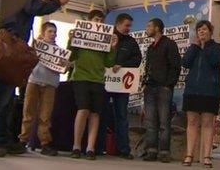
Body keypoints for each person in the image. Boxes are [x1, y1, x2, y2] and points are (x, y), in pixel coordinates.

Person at [0, 0, 69, 157]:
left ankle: (1, 140)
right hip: (10, 45)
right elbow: (32, 7)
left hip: (9, 43)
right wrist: (57, 2)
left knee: (5, 97)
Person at [68, 10, 118, 160]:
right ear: (89, 21)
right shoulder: (80, 35)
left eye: (102, 21)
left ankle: (90, 147)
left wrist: (113, 48)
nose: (100, 23)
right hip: (81, 77)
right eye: (97, 20)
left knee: (95, 113)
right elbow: (71, 56)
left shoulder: (105, 40)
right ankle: (76, 146)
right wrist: (71, 40)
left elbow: (109, 62)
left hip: (98, 79)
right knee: (83, 110)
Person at [181, 20, 220, 168]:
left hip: (209, 91)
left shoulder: (217, 48)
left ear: (210, 31)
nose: (201, 32)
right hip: (192, 89)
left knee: (207, 123)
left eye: (204, 29)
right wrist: (195, 46)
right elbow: (185, 63)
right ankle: (189, 155)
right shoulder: (193, 48)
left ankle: (207, 156)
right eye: (199, 30)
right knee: (192, 122)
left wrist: (205, 46)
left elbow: (215, 61)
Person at [17, 22, 62, 156]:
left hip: (50, 83)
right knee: (28, 112)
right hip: (34, 80)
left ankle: (45, 143)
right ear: (43, 33)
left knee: (45, 115)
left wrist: (64, 64)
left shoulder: (59, 51)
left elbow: (63, 69)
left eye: (54, 32)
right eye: (50, 31)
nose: (53, 34)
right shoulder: (35, 47)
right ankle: (23, 140)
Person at [142, 18, 181, 163]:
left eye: (149, 25)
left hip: (163, 87)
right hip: (150, 87)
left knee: (164, 122)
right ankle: (151, 150)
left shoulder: (169, 44)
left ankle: (164, 151)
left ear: (157, 28)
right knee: (150, 121)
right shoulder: (151, 47)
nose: (147, 28)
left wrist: (168, 85)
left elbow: (175, 66)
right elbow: (148, 67)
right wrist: (144, 83)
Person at [106, 13, 142, 159]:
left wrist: (122, 66)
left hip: (122, 85)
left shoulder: (131, 42)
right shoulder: (106, 36)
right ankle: (99, 146)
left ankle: (124, 149)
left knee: (122, 115)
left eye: (130, 26)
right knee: (101, 114)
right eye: (127, 25)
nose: (129, 28)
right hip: (105, 82)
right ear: (118, 24)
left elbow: (137, 59)